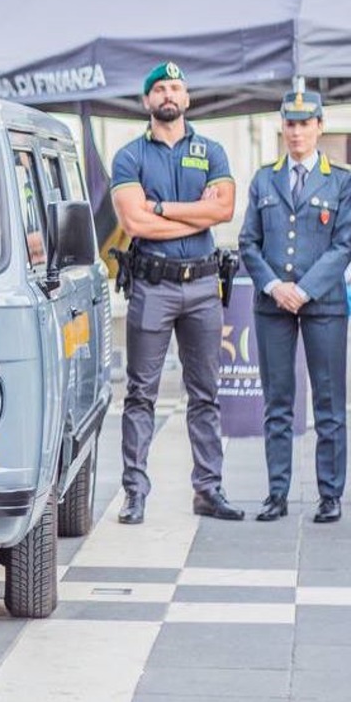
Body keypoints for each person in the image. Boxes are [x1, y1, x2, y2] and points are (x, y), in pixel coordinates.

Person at [111, 61, 243, 524]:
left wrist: (163, 207)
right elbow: (133, 222)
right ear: (147, 101)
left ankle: (208, 489)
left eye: (176, 87)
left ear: (187, 99)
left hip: (204, 287)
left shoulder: (211, 150)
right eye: (160, 88)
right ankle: (134, 492)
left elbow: (224, 209)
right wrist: (196, 212)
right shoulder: (129, 156)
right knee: (141, 394)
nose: (168, 94)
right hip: (153, 286)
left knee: (205, 394)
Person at [237, 90, 351, 523]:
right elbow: (249, 242)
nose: (297, 132)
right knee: (278, 402)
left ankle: (330, 494)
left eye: (305, 124)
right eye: (290, 124)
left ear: (320, 127)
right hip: (273, 305)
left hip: (322, 303)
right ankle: (277, 492)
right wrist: (272, 285)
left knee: (329, 402)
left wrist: (303, 289)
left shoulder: (341, 180)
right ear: (282, 127)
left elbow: (344, 244)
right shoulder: (264, 178)